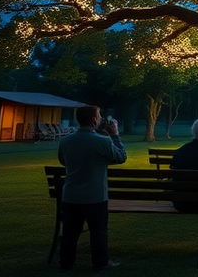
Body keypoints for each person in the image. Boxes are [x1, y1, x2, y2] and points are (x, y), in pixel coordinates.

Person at [57, 105, 127, 274]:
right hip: (94, 196)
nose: (102, 118)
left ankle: (66, 264)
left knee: (70, 231)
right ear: (94, 120)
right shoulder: (102, 141)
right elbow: (120, 157)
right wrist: (115, 135)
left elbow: (63, 161)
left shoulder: (66, 140)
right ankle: (100, 263)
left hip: (71, 195)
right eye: (100, 116)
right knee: (98, 230)